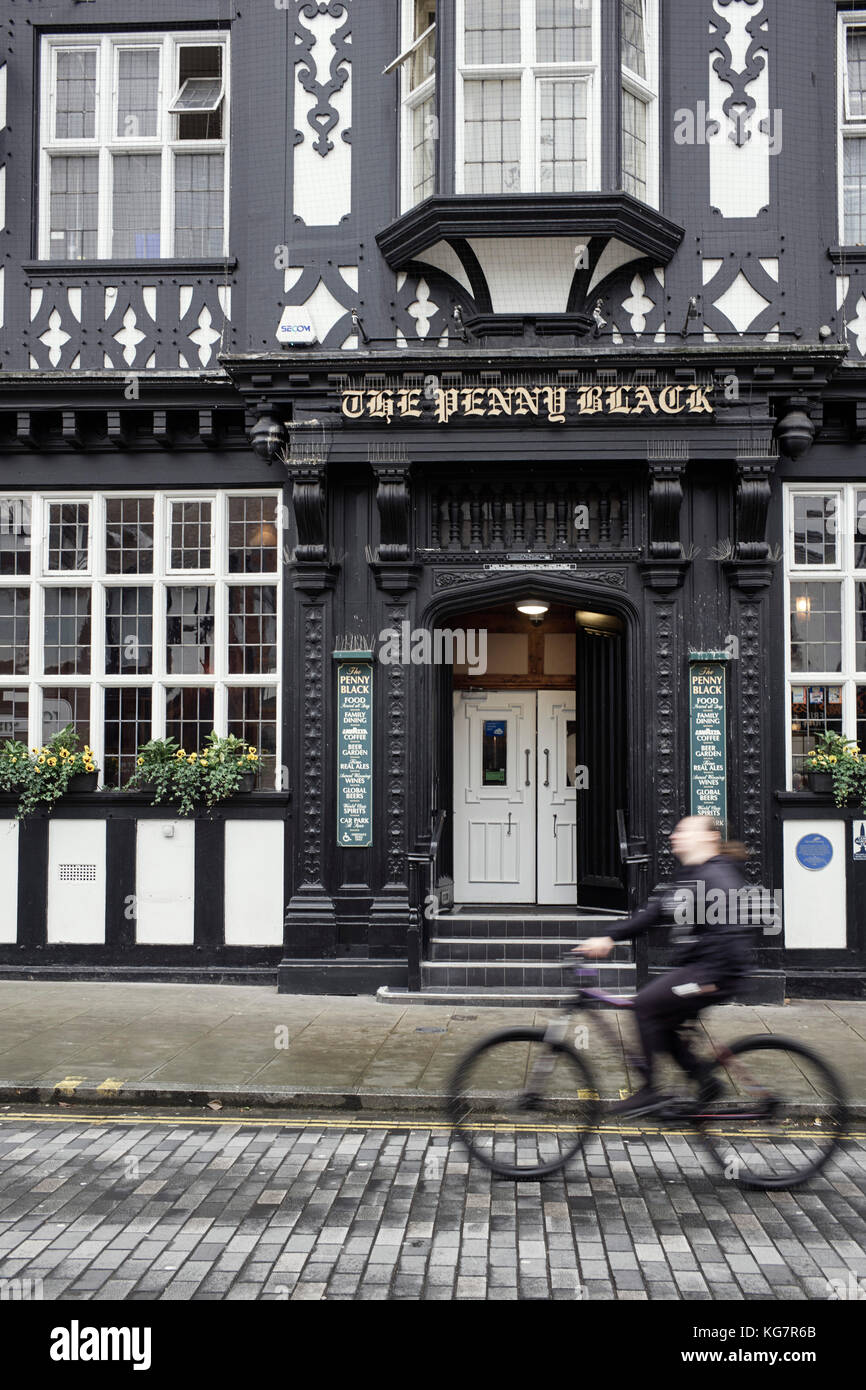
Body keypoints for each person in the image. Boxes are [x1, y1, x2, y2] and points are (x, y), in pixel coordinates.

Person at [575, 815, 753, 1117]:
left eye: (684, 831)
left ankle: (650, 1091)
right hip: (706, 968)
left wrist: (707, 980)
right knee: (663, 1020)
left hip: (715, 972)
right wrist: (609, 936)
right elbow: (655, 913)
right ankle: (704, 1080)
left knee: (645, 1004)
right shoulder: (695, 874)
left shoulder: (715, 877)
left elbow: (730, 939)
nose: (675, 836)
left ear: (709, 839)